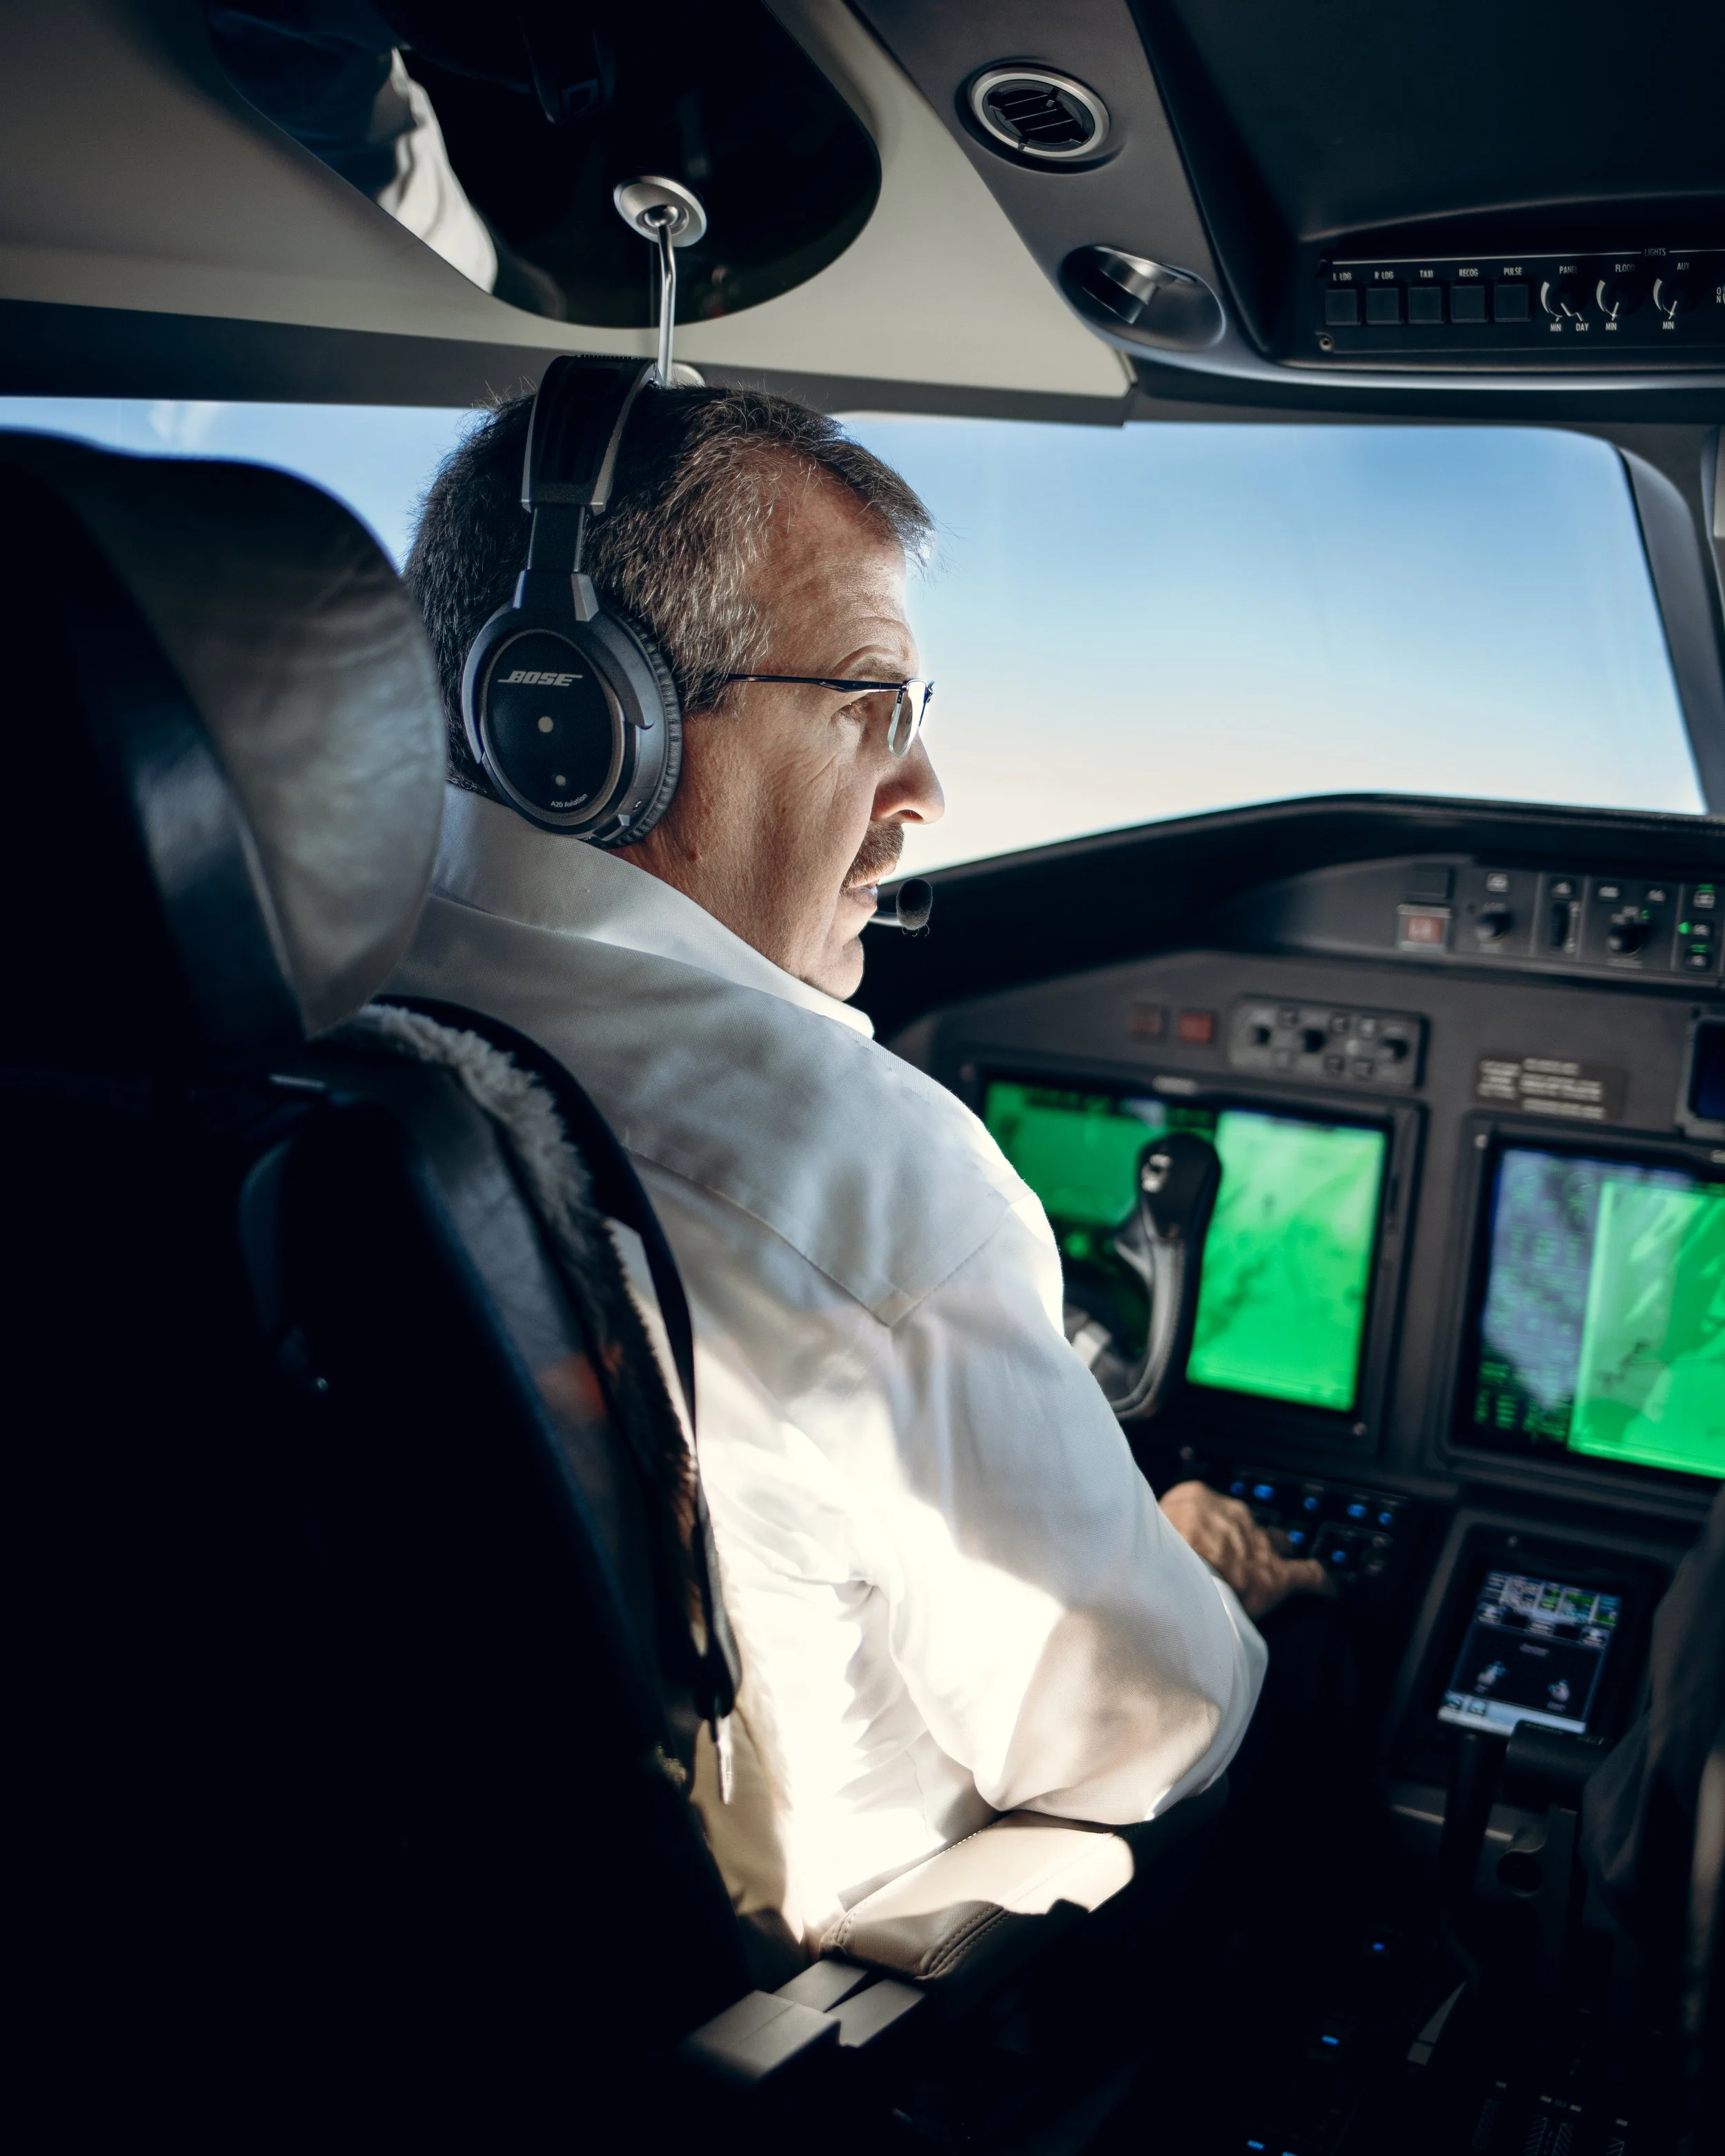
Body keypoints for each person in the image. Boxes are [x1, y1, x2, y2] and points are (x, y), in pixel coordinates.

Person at [393, 384, 1328, 1952]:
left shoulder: (281, 1014)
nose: (924, 796)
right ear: (579, 721)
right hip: (796, 2027)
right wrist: (1183, 1570)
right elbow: (1150, 1732)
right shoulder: (853, 1164)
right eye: (869, 704)